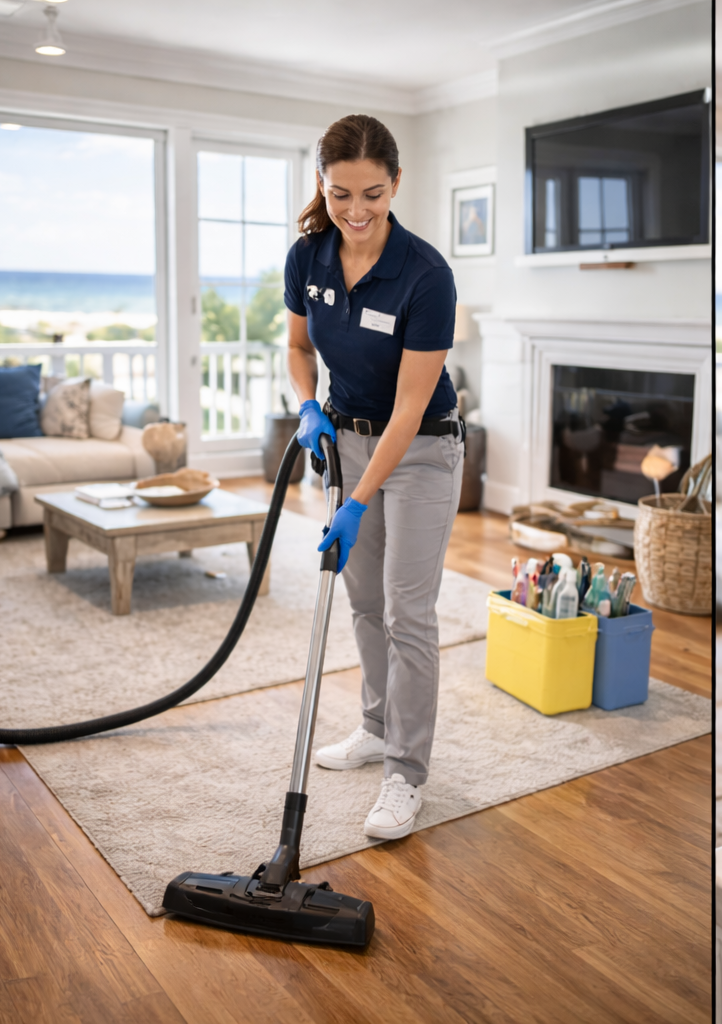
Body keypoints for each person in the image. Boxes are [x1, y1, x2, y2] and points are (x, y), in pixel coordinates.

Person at [284, 114, 464, 841]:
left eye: (372, 195)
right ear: (321, 187)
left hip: (419, 450)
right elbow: (297, 347)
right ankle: (374, 728)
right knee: (362, 600)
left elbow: (412, 407)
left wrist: (357, 504)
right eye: (339, 195)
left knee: (406, 611)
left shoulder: (426, 276)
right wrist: (304, 405)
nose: (355, 212)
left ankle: (406, 774)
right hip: (346, 440)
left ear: (396, 184)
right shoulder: (309, 257)